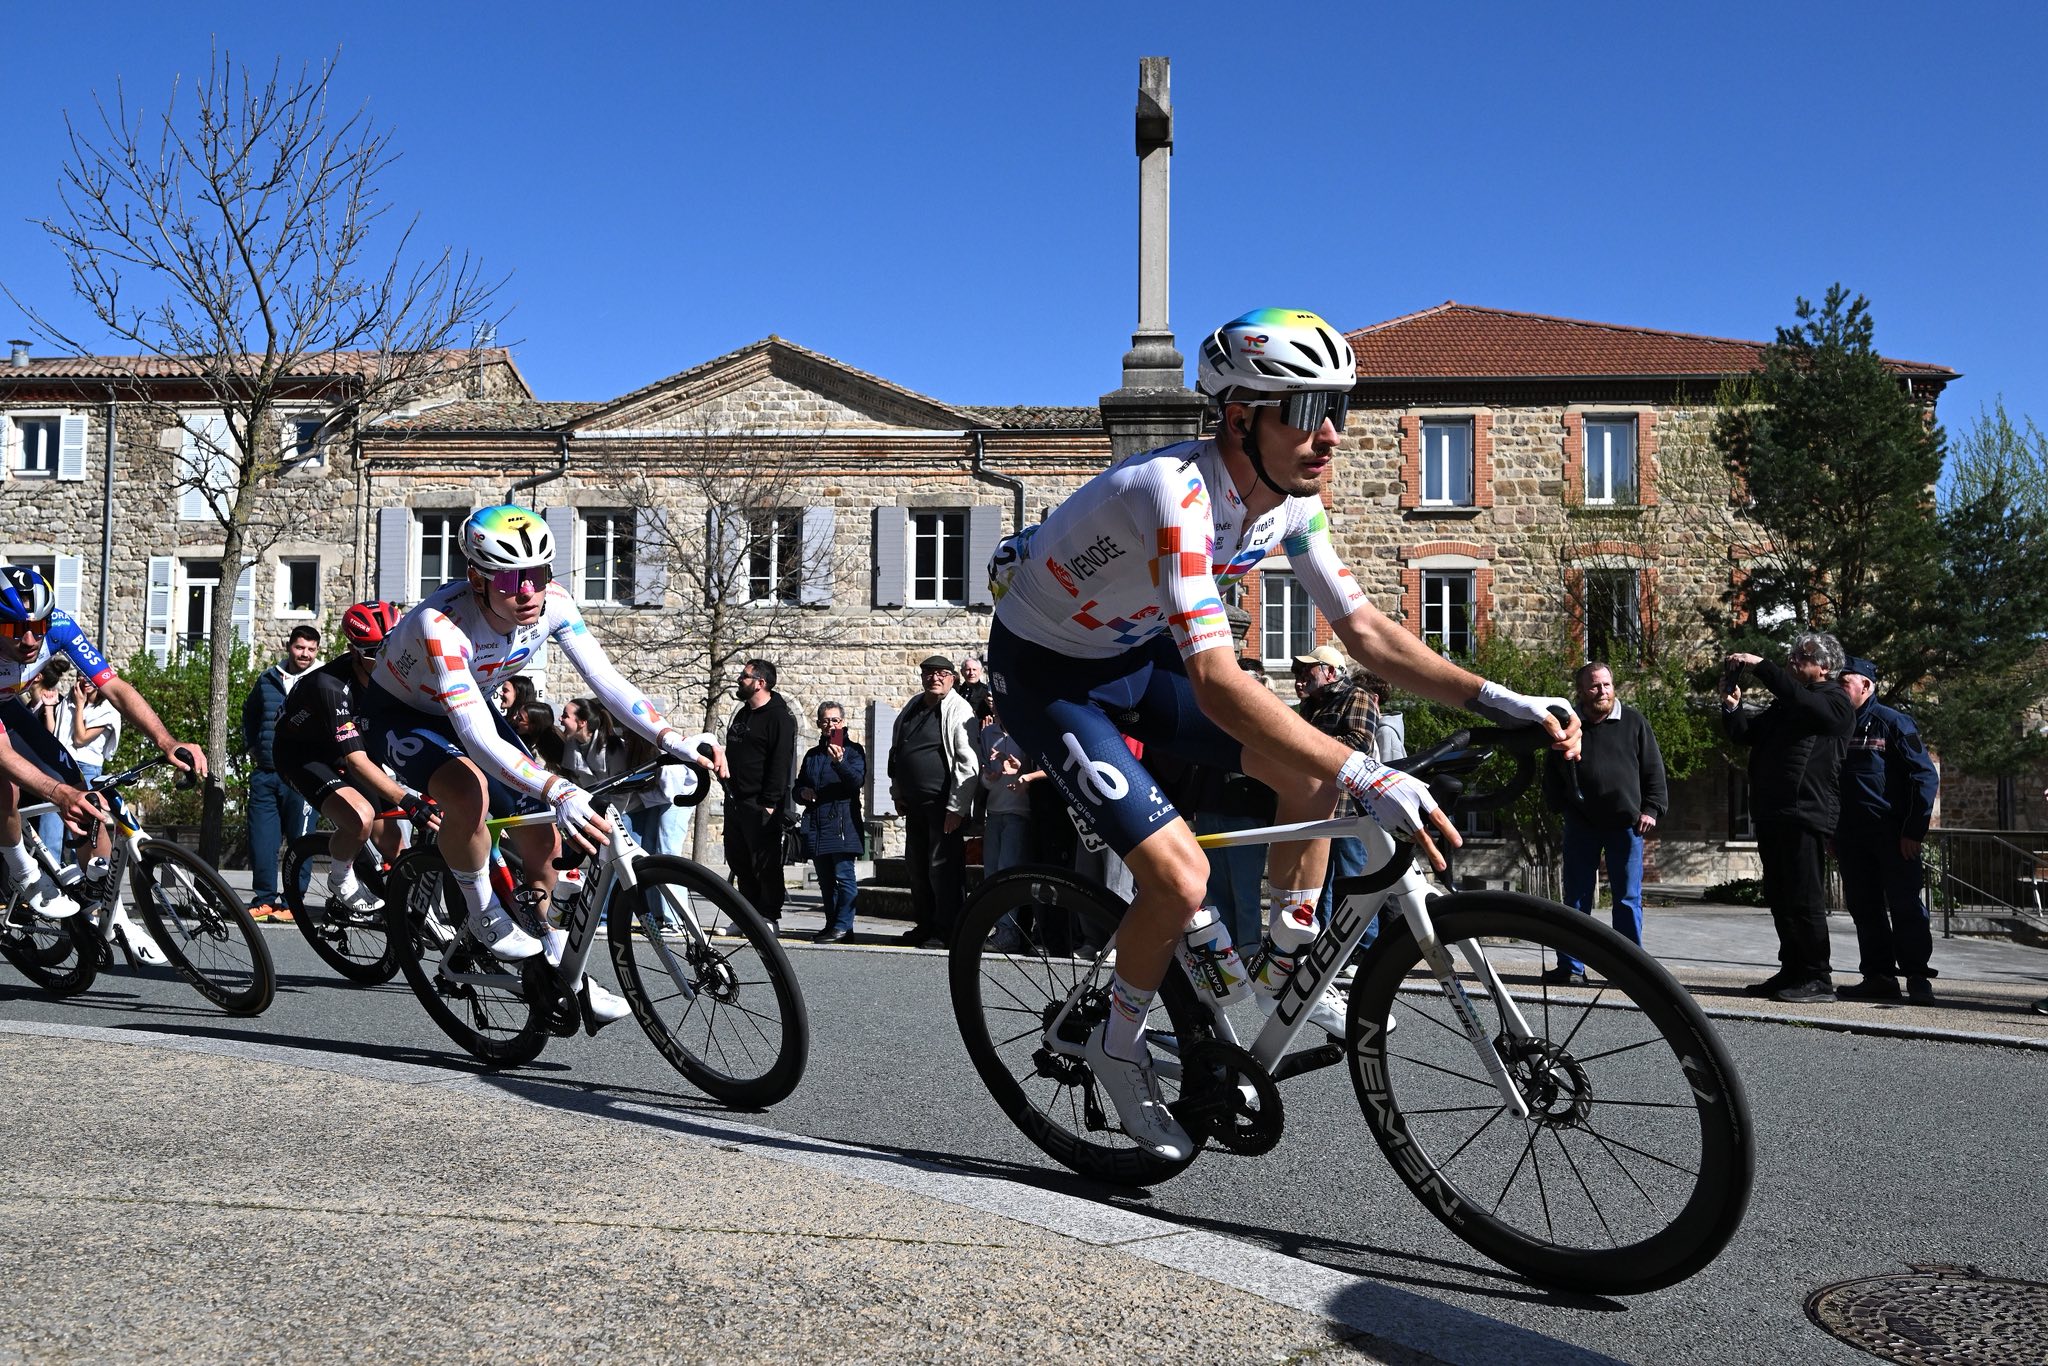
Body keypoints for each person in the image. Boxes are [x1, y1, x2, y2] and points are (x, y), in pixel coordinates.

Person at [984, 308, 1576, 1157]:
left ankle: (1284, 962)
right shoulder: (1172, 493)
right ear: (1238, 419)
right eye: (1304, 411)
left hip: (1135, 654)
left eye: (1337, 408)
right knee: (1180, 874)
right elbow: (1219, 682)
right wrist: (1370, 772)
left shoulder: (1294, 505)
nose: (1329, 433)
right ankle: (1115, 1044)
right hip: (1050, 675)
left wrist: (1498, 700)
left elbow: (1364, 631)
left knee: (1314, 776)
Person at [359, 506, 722, 1031]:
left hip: (471, 705)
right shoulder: (441, 624)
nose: (528, 591)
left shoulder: (554, 603)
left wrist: (672, 738)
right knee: (470, 791)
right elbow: (477, 738)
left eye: (539, 573)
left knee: (544, 841)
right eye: (510, 580)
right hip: (403, 714)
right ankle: (483, 912)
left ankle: (555, 961)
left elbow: (605, 681)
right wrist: (558, 788)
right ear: (477, 580)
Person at [0, 565, 204, 921]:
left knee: (84, 797)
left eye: (38, 627)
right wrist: (56, 793)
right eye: (14, 630)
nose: (30, 640)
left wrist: (166, 741)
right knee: (6, 790)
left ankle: (108, 912)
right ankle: (23, 871)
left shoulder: (59, 626)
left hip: (7, 707)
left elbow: (115, 688)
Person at [273, 602, 440, 915]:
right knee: (360, 818)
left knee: (395, 846)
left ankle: (411, 920)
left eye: (391, 648)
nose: (386, 658)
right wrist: (409, 801)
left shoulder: (398, 673)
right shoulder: (330, 686)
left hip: (353, 746)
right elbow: (356, 762)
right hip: (303, 754)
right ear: (353, 651)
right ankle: (340, 876)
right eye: (375, 653)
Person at [1721, 634, 1855, 1004]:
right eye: (1792, 653)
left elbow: (1803, 701)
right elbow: (1747, 735)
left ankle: (1817, 976)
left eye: (1803, 655)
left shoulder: (1835, 700)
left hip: (1805, 811)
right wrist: (1733, 708)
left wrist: (1761, 666)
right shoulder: (1787, 704)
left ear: (1824, 667)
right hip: (1773, 811)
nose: (1793, 659)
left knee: (1804, 897)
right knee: (1780, 896)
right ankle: (1793, 969)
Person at [1541, 661, 1669, 984]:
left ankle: (1628, 971)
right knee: (1575, 899)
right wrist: (1557, 806)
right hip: (1581, 824)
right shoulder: (1569, 726)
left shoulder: (1634, 722)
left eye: (1607, 685)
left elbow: (1653, 769)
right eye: (1595, 686)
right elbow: (1552, 772)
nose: (1602, 691)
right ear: (1581, 690)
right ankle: (1571, 967)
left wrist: (1652, 809)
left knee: (1627, 899)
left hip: (1626, 824)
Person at [1834, 657, 1941, 1004]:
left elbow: (1924, 777)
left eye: (1844, 683)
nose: (1838, 689)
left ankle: (1917, 977)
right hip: (1851, 836)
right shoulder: (1837, 726)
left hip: (1893, 835)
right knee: (1864, 907)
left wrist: (1913, 831)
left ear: (1865, 685)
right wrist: (1832, 833)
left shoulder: (1892, 722)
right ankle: (1878, 976)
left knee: (1906, 905)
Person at [887, 655, 979, 948]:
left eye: (941, 673)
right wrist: (898, 792)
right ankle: (925, 925)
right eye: (928, 673)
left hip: (943, 804)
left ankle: (947, 930)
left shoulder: (958, 708)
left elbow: (968, 760)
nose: (934, 678)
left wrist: (957, 807)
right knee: (917, 868)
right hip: (914, 804)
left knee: (944, 869)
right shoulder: (913, 706)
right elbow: (897, 751)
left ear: (952, 678)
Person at [1295, 645, 1378, 945]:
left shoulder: (1357, 697)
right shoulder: (1309, 706)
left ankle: (1365, 949)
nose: (1302, 675)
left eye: (1308, 668)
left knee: (1354, 881)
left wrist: (1307, 745)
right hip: (1315, 811)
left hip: (1347, 811)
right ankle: (1323, 946)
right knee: (1317, 885)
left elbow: (1359, 743)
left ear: (1330, 672)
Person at [241, 625, 322, 920]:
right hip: (266, 774)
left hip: (303, 776)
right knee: (261, 841)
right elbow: (250, 713)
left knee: (300, 842)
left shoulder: (323, 680)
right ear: (289, 647)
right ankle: (264, 899)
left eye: (311, 649)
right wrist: (252, 746)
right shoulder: (267, 679)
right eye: (300, 647)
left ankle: (292, 904)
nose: (305, 654)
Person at [721, 659, 797, 933]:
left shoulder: (779, 718)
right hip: (736, 801)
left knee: (764, 862)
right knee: (738, 859)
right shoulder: (743, 714)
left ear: (760, 683)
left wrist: (770, 802)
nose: (739, 679)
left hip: (761, 803)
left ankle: (768, 916)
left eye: (745, 676)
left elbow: (781, 762)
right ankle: (747, 916)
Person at [793, 700, 866, 943]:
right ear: (818, 724)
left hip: (843, 822)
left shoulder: (853, 751)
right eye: (825, 721)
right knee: (825, 880)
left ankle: (844, 926)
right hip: (817, 823)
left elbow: (856, 783)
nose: (830, 725)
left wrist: (840, 763)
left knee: (844, 877)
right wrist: (803, 792)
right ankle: (832, 925)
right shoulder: (813, 755)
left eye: (835, 720)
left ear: (843, 722)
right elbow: (798, 787)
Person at [28, 658, 70, 860]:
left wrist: (49, 709)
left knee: (46, 835)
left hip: (46, 776)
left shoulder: (57, 704)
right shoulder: (29, 706)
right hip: (29, 776)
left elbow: (53, 738)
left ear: (37, 677)